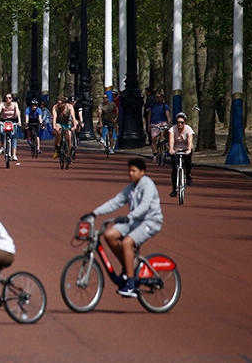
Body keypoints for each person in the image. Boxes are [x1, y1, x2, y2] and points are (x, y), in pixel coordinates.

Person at [81, 157, 163, 297]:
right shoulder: (131, 188)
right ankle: (127, 266)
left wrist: (129, 217)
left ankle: (130, 285)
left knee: (127, 242)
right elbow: (115, 202)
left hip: (150, 221)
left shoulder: (148, 185)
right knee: (109, 234)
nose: (130, 173)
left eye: (134, 171)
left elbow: (145, 206)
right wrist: (94, 213)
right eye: (129, 171)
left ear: (142, 172)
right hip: (135, 221)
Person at [168, 112, 195, 196]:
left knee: (187, 162)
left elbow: (190, 140)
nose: (180, 124)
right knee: (175, 169)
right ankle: (174, 189)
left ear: (185, 122)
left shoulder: (188, 129)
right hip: (176, 149)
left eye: (182, 122)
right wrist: (171, 149)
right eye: (178, 122)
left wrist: (189, 149)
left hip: (186, 148)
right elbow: (171, 140)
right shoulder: (172, 129)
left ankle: (188, 175)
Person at [0, 93, 21, 161]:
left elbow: (18, 113)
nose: (8, 99)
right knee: (2, 132)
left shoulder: (15, 104)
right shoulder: (2, 104)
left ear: (12, 99)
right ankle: (2, 147)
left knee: (13, 136)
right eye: (6, 98)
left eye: (9, 98)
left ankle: (14, 154)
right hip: (4, 121)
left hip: (13, 121)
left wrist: (19, 121)